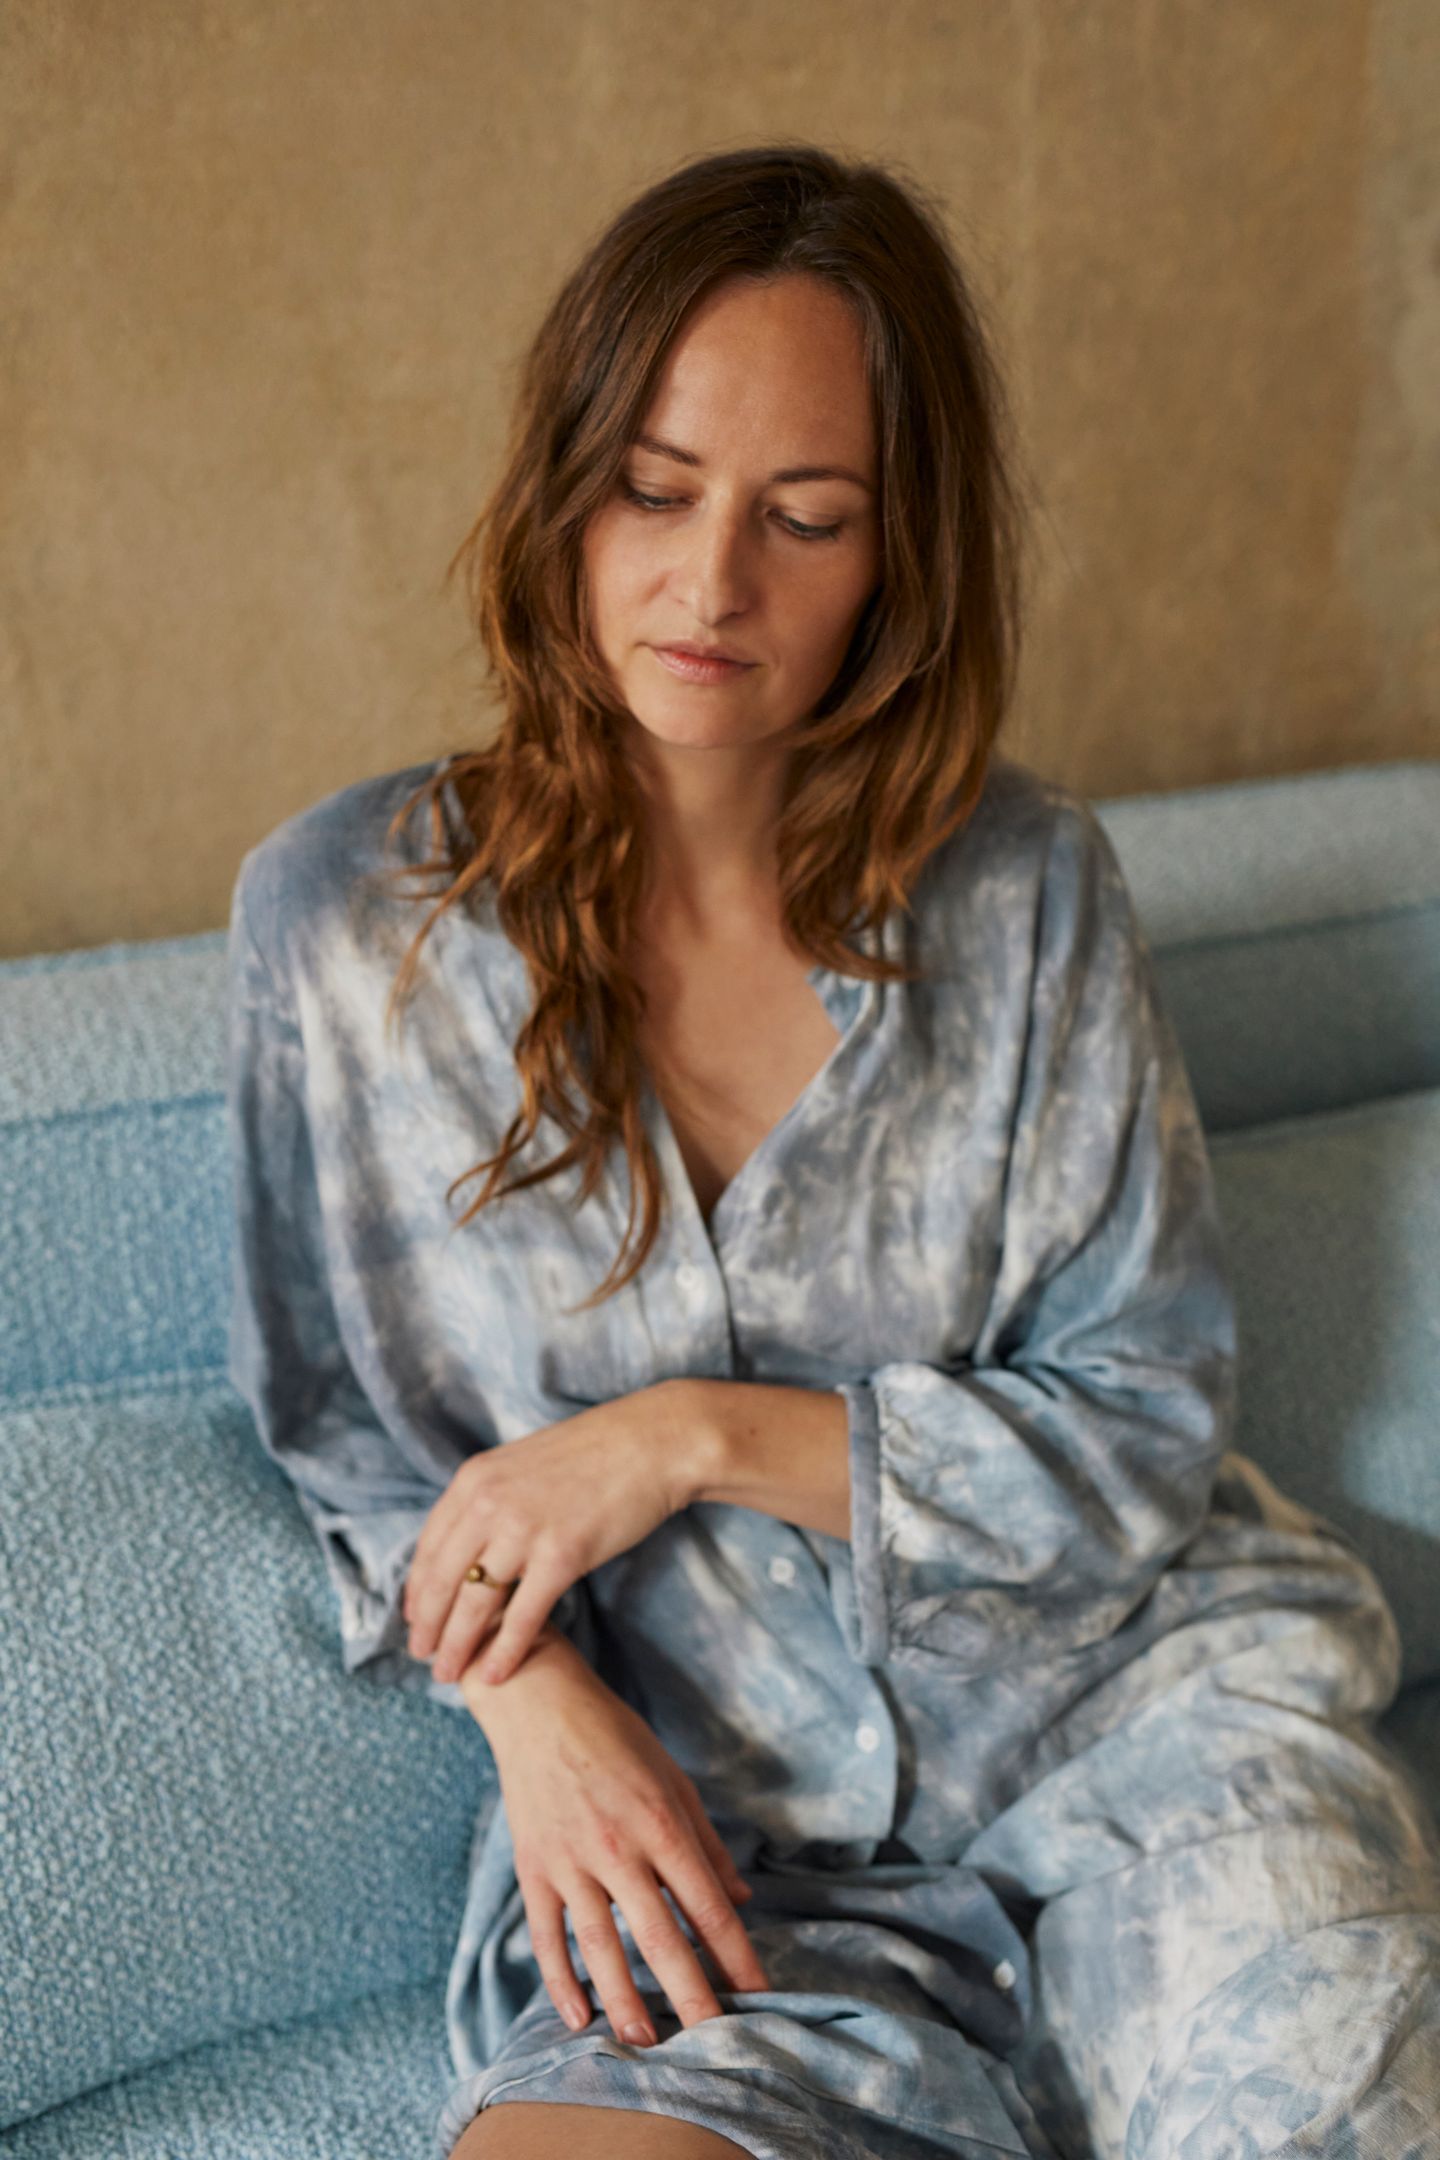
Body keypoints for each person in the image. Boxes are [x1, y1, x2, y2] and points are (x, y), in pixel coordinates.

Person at [224, 143, 1440, 2160]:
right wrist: (529, 1705)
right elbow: (354, 1444)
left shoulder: (1030, 890)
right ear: (564, 488)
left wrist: (686, 1436)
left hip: (1144, 1753)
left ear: (897, 559)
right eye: (655, 489)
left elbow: (1144, 1421)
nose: (715, 584)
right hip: (716, 1840)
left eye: (806, 517)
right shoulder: (350, 928)